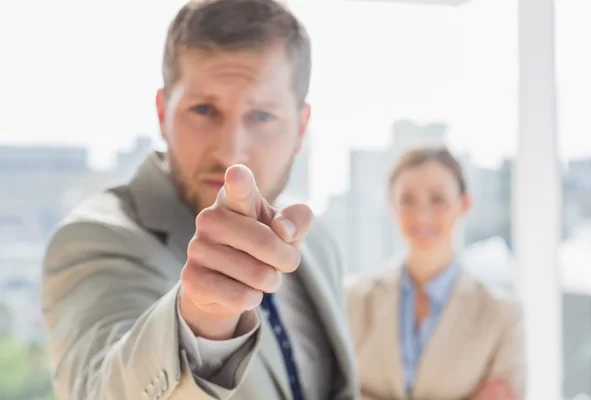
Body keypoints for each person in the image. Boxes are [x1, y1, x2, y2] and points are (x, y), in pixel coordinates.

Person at [41, 1, 357, 399]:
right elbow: (98, 389)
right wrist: (203, 321)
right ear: (162, 113)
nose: (230, 152)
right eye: (204, 109)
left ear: (300, 128)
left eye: (262, 116)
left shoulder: (319, 244)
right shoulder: (95, 239)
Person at [345, 146, 525, 400]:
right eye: (407, 200)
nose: (422, 215)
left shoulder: (502, 315)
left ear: (464, 204)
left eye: (438, 199)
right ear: (392, 207)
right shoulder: (352, 300)